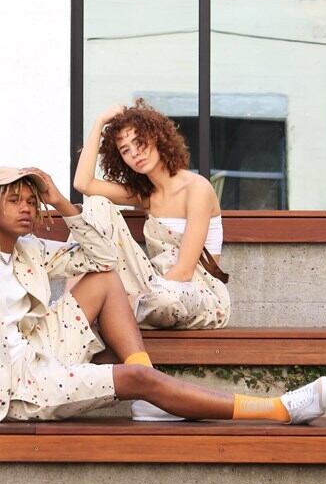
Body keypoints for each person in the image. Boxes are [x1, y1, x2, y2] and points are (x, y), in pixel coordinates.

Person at [0, 166, 326, 427]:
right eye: (15, 200)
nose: (27, 208)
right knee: (136, 378)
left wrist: (60, 200)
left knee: (105, 279)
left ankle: (147, 384)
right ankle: (276, 410)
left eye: (32, 201)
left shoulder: (31, 251)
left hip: (36, 355)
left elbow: (101, 256)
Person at [73, 99, 232, 420]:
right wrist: (99, 123)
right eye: (125, 150)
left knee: (160, 298)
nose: (135, 153)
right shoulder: (145, 195)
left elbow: (184, 270)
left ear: (158, 137)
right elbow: (83, 185)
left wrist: (135, 297)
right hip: (153, 287)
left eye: (140, 142)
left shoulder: (196, 188)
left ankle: (103, 311)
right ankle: (84, 312)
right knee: (96, 206)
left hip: (195, 293)